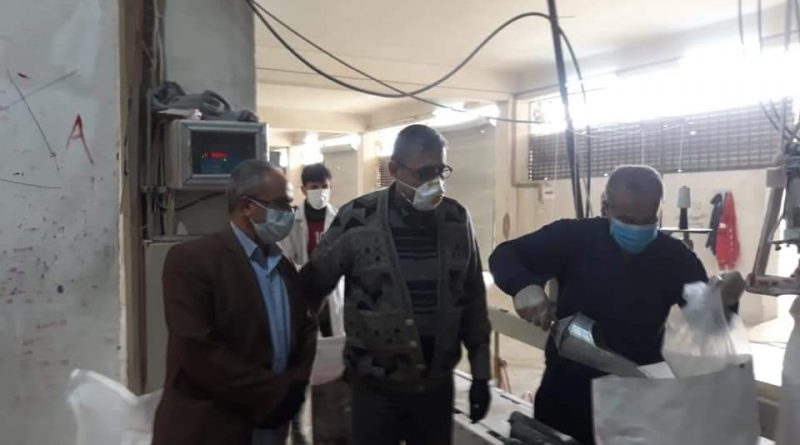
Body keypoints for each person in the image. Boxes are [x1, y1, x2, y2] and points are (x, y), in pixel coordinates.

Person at [488, 165, 745, 445]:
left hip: (633, 397)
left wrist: (725, 300)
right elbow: (506, 255)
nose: (637, 228)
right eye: (626, 219)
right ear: (605, 207)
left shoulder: (674, 258)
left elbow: (707, 324)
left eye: (647, 220)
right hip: (567, 393)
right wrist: (522, 285)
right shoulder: (574, 237)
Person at [300, 124, 491, 445]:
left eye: (441, 171)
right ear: (393, 170)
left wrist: (481, 375)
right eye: (425, 173)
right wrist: (298, 361)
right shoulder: (358, 219)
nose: (435, 182)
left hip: (435, 389)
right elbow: (313, 284)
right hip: (374, 390)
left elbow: (473, 299)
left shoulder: (456, 219)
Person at [152, 160, 318, 445]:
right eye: (280, 205)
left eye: (290, 206)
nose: (288, 214)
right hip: (212, 427)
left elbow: (305, 330)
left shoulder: (283, 266)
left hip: (271, 426)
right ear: (246, 206)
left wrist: (296, 385)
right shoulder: (193, 261)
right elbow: (197, 350)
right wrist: (274, 394)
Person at [279, 163, 347, 445]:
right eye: (314, 187)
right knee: (300, 364)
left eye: (324, 186)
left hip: (333, 300)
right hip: (304, 297)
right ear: (304, 189)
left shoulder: (340, 218)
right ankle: (297, 428)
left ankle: (328, 430)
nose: (320, 191)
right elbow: (285, 258)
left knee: (331, 365)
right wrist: (308, 274)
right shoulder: (292, 221)